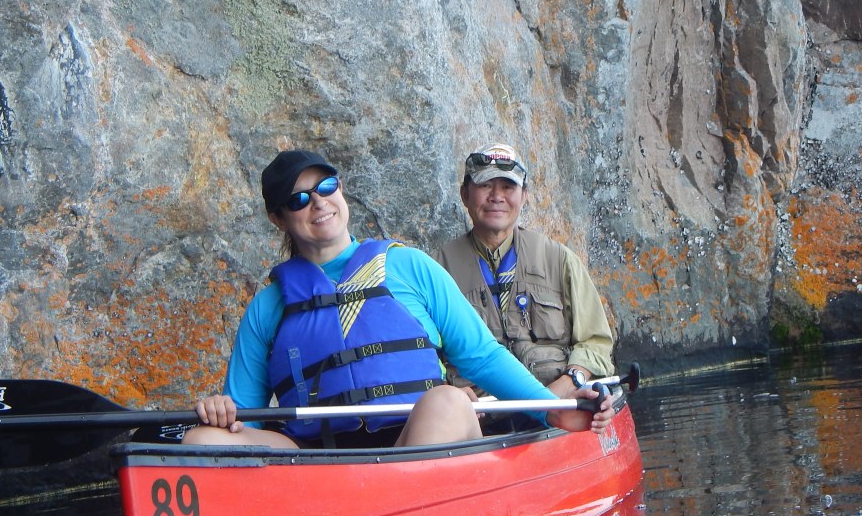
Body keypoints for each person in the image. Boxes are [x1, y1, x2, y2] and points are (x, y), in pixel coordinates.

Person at [183, 148, 612, 448]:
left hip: (413, 443)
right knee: (203, 439)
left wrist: (552, 411)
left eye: (326, 186)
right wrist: (221, 411)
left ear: (341, 190)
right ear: (277, 218)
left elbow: (482, 357)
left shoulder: (409, 266)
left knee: (448, 400)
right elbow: (242, 415)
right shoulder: (268, 307)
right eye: (299, 199)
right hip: (317, 461)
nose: (318, 203)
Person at [433, 143, 615, 399]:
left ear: (524, 195)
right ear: (465, 194)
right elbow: (420, 355)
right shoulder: (436, 269)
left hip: (557, 405)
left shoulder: (560, 260)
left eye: (508, 187)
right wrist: (449, 394)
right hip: (478, 416)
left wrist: (567, 385)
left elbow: (595, 343)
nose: (497, 196)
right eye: (485, 185)